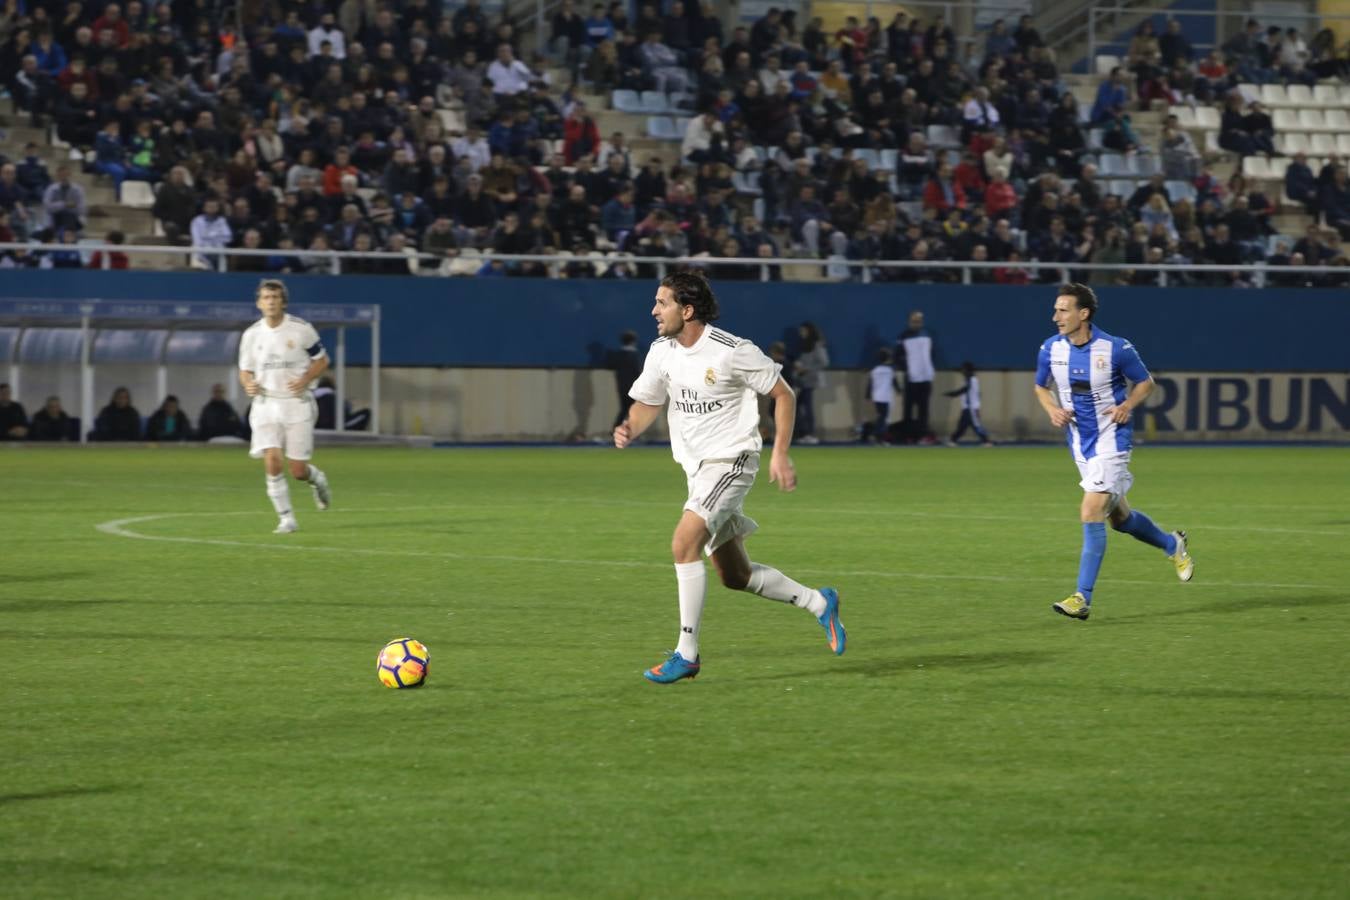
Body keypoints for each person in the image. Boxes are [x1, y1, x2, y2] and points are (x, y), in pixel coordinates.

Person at [614, 272, 846, 683]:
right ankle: (818, 602)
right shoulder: (661, 351)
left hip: (731, 461)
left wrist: (780, 453)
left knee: (683, 542)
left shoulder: (731, 351)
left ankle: (687, 653)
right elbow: (648, 401)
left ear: (686, 310)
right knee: (734, 576)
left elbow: (783, 394)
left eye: (662, 303)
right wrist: (630, 426)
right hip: (697, 470)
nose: (653, 310)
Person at [1034, 283, 1194, 620]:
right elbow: (1040, 386)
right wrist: (1051, 408)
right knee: (1119, 519)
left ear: (1084, 314)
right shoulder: (1050, 349)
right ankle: (1171, 545)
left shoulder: (1116, 348)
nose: (1055, 317)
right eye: (1056, 310)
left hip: (1112, 440)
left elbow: (1146, 382)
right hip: (1080, 444)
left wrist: (1128, 405)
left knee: (1091, 510)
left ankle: (1081, 597)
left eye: (1063, 310)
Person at [238, 279, 332, 534]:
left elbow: (322, 360)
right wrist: (248, 384)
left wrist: (305, 379)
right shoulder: (251, 335)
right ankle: (286, 519)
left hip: (296, 403)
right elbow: (245, 370)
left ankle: (317, 479)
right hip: (266, 403)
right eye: (266, 297)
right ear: (259, 303)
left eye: (275, 297)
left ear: (284, 302)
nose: (270, 302)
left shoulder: (301, 329)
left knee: (298, 470)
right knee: (272, 458)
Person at [895, 310, 935, 443]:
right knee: (908, 409)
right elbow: (897, 356)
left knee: (924, 410)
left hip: (925, 379)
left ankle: (922, 436)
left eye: (918, 321)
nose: (916, 324)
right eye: (914, 321)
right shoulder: (903, 336)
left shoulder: (927, 335)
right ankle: (906, 437)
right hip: (911, 379)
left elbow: (929, 355)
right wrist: (907, 368)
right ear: (909, 321)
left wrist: (929, 371)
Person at [792, 322, 827, 443]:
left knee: (807, 406)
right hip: (804, 380)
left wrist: (807, 368)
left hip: (812, 380)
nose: (802, 334)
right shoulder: (803, 345)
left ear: (809, 331)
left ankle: (810, 434)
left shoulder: (817, 345)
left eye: (803, 331)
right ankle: (803, 432)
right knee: (798, 405)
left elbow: (824, 362)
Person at [944, 361, 992, 446]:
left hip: (971, 408)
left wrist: (953, 394)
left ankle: (987, 441)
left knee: (975, 426)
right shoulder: (970, 380)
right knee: (962, 426)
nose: (962, 372)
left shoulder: (972, 380)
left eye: (964, 370)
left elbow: (965, 389)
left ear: (968, 370)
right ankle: (953, 440)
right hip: (967, 408)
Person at [607, 330, 642, 429]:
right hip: (633, 387)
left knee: (625, 409)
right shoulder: (634, 355)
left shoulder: (617, 355)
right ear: (633, 341)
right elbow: (637, 372)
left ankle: (616, 429)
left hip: (622, 386)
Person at [866, 348, 897, 443]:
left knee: (881, 415)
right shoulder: (890, 370)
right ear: (888, 358)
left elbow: (870, 384)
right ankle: (877, 435)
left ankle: (878, 435)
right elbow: (894, 382)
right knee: (883, 417)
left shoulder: (874, 370)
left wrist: (867, 395)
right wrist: (899, 390)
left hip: (877, 397)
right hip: (886, 397)